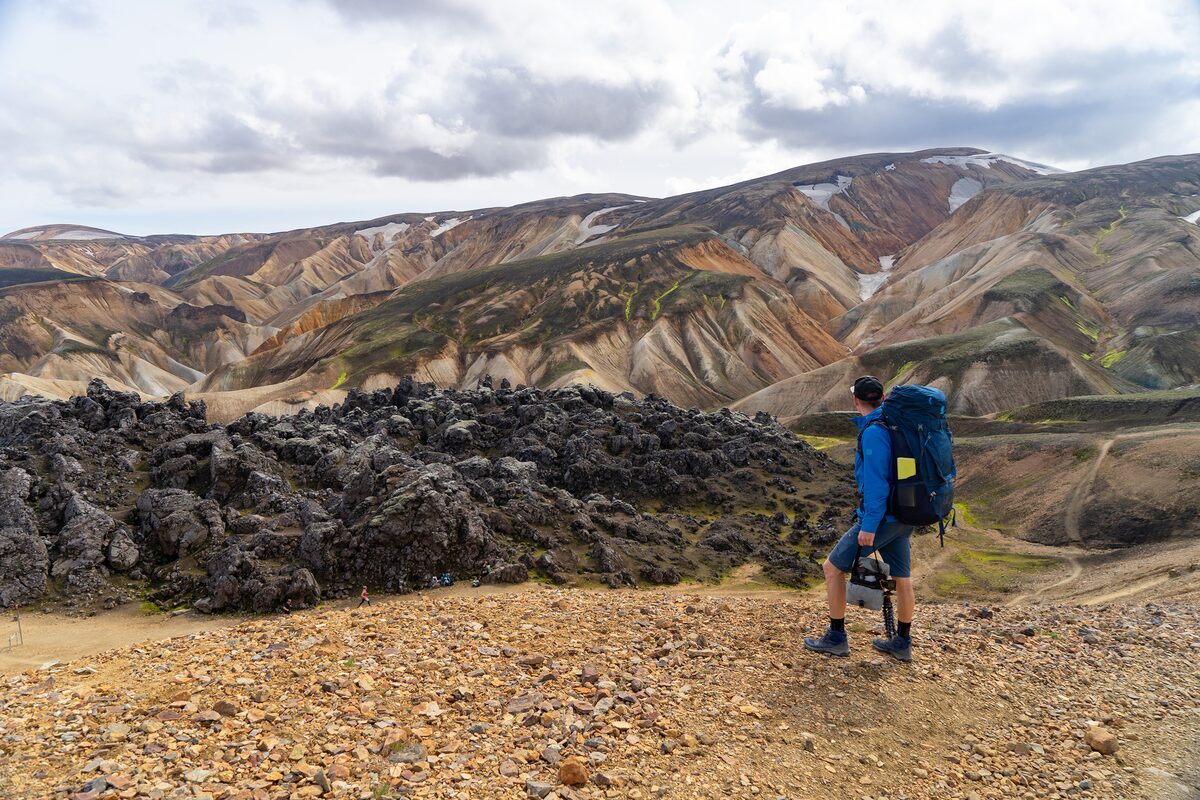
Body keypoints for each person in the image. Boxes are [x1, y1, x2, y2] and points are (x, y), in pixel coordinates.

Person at [804, 375, 916, 662]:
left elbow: (877, 483)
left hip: (882, 517)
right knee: (902, 577)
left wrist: (868, 526)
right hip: (905, 512)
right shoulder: (897, 424)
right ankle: (902, 642)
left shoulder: (874, 432)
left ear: (856, 400)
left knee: (832, 568)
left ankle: (836, 637)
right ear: (881, 398)